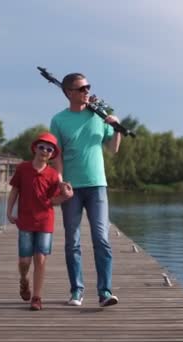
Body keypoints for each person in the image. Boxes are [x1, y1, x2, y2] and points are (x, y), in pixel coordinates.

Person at [49, 72, 122, 307]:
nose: (87, 91)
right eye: (82, 88)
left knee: (101, 238)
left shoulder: (98, 116)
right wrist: (60, 180)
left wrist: (116, 127)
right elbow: (56, 156)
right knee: (72, 241)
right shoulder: (58, 120)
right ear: (69, 92)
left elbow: (113, 149)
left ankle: (105, 292)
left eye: (88, 87)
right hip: (72, 188)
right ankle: (76, 291)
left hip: (97, 186)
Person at [7, 132, 74, 311]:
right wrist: (9, 211)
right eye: (42, 147)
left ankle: (36, 297)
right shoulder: (23, 168)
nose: (45, 151)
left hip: (45, 222)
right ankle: (23, 280)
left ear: (52, 154)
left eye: (49, 149)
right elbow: (14, 191)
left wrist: (66, 196)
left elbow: (54, 201)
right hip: (25, 221)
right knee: (24, 262)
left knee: (40, 258)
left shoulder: (53, 175)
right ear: (35, 148)